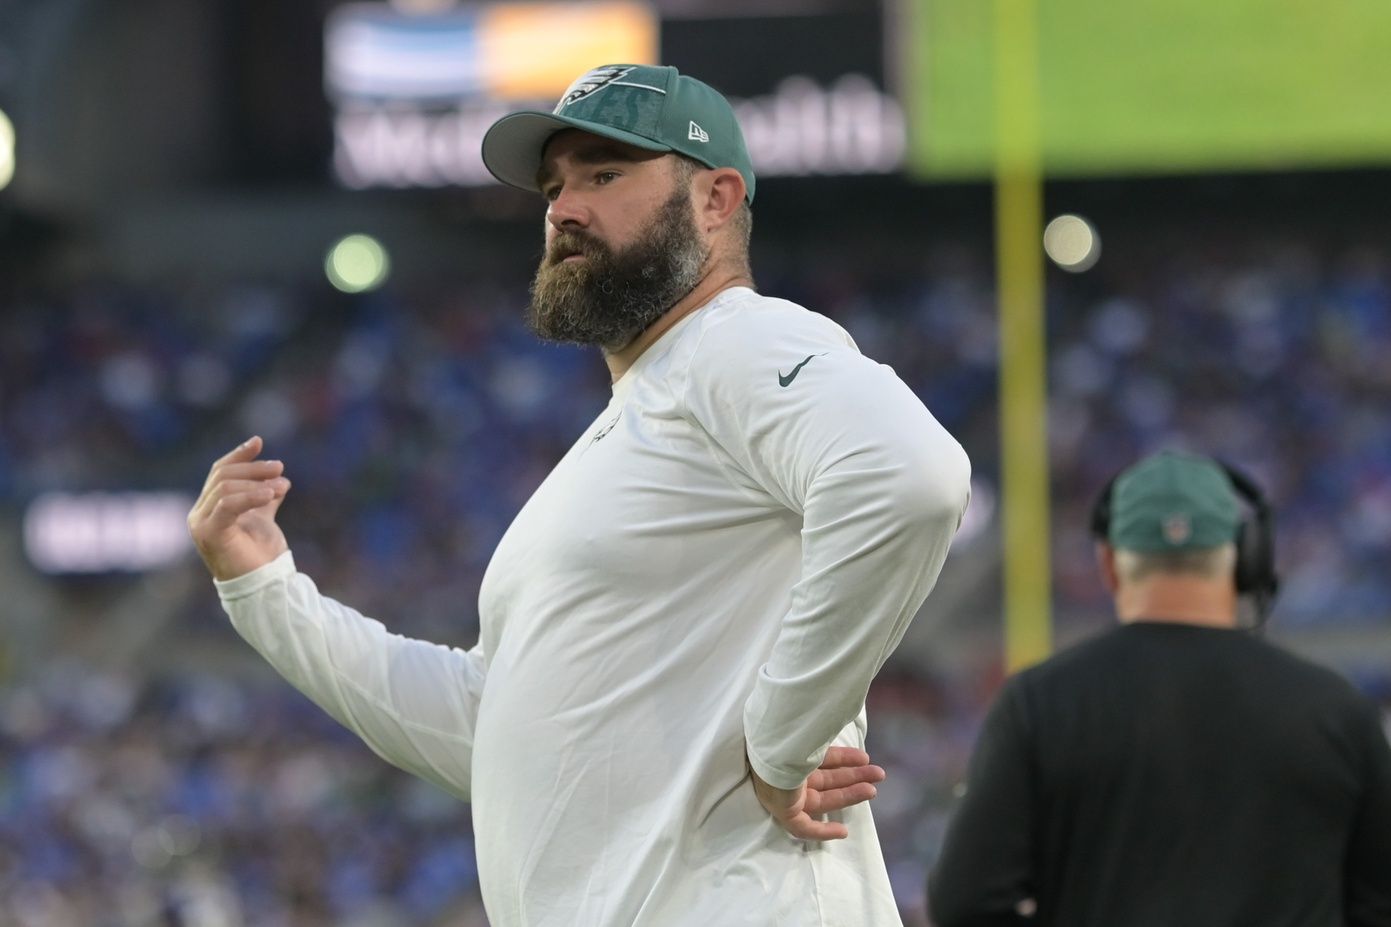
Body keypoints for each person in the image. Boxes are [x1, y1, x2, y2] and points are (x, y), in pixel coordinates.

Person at [188, 63, 972, 927]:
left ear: (715, 199)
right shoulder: (633, 424)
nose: (563, 208)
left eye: (604, 174)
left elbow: (908, 477)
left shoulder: (734, 341)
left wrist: (780, 744)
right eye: (555, 185)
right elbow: (493, 730)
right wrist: (266, 592)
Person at [928, 450, 1391, 927]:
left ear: (1109, 562)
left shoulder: (1038, 704)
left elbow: (966, 904)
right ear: (1245, 559)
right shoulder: (1337, 709)